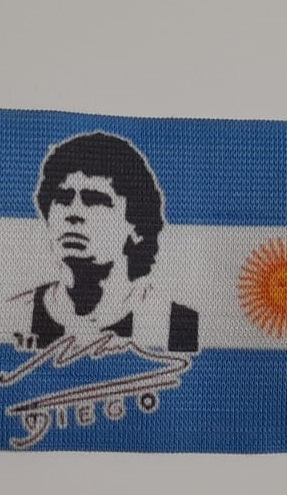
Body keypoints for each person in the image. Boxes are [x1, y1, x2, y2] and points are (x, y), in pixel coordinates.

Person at [16, 132, 198, 353]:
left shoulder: (175, 324)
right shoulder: (18, 313)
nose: (73, 213)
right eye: (62, 199)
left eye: (94, 200)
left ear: (136, 226)